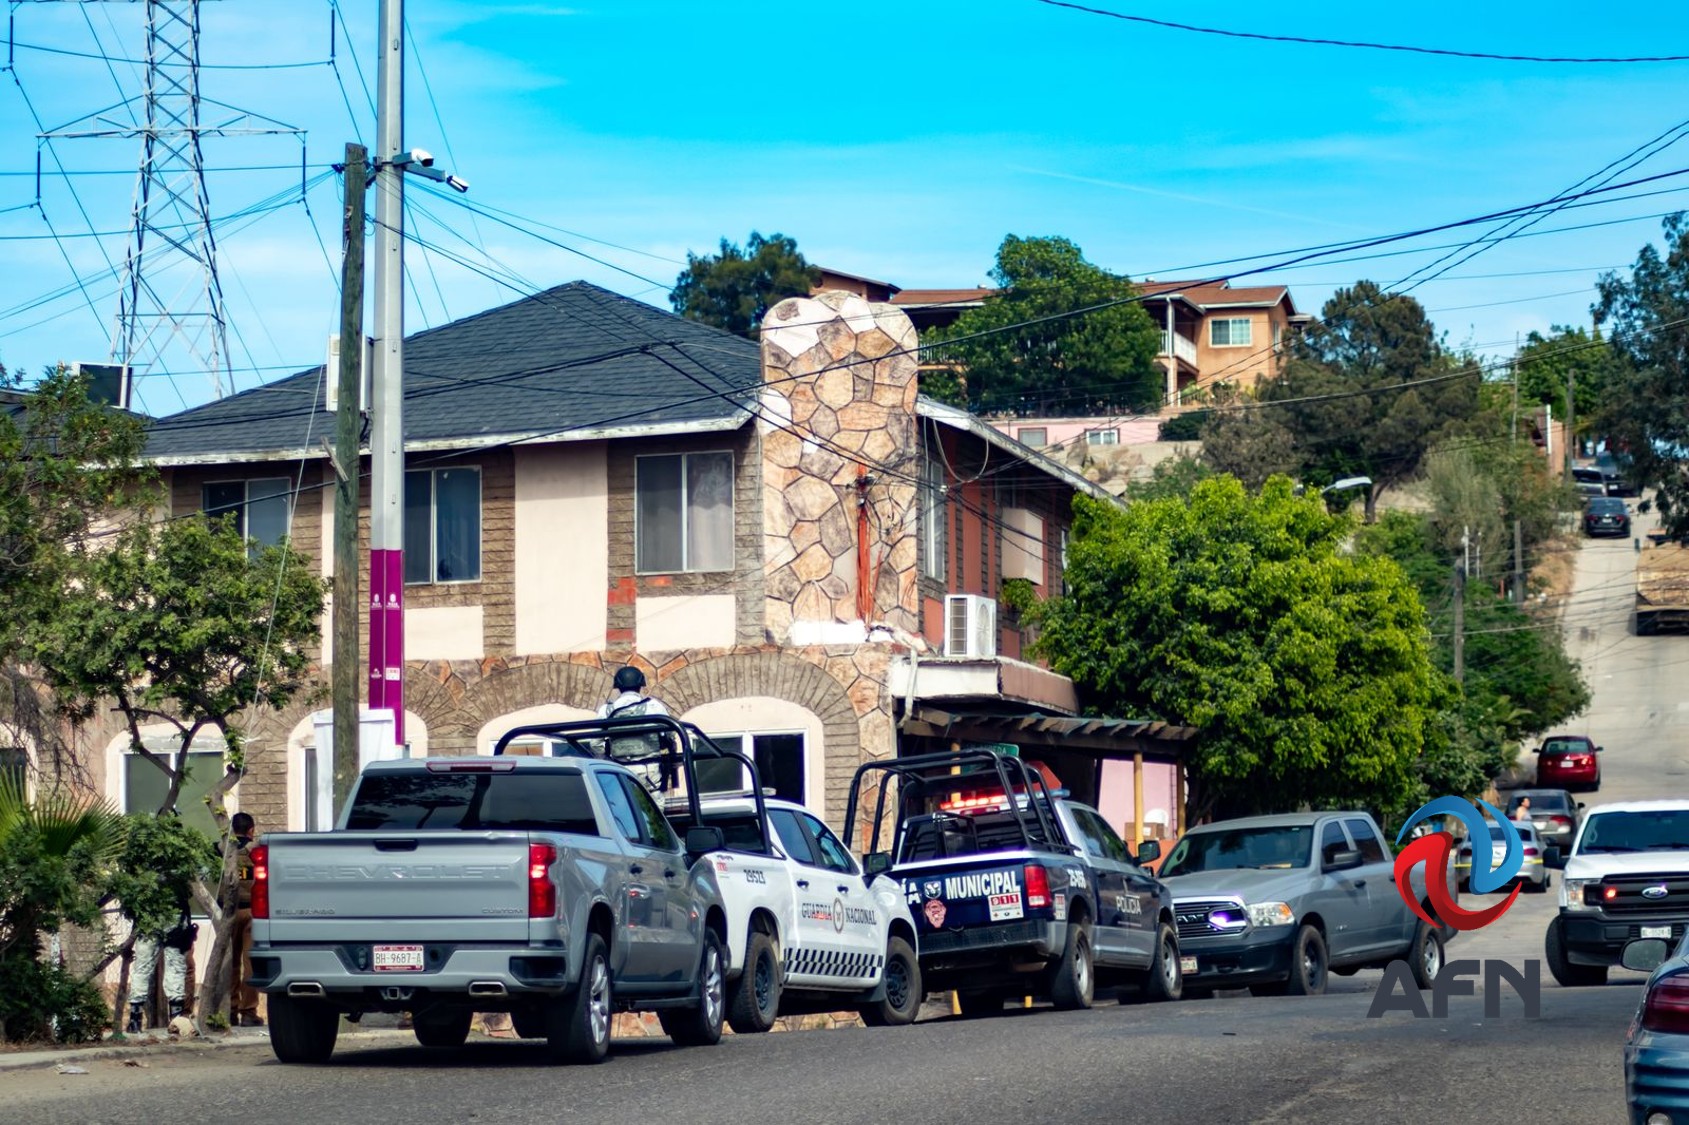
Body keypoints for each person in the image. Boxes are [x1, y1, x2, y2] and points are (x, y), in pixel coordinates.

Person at [127, 885, 195, 1034]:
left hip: (150, 917)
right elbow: (188, 891)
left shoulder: (144, 868)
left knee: (142, 969)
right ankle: (175, 1020)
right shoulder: (179, 869)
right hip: (175, 916)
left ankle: (135, 1021)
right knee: (175, 969)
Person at [594, 666, 673, 788]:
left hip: (619, 770)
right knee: (653, 805)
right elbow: (669, 735)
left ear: (618, 686)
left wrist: (607, 762)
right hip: (649, 770)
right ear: (641, 684)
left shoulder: (606, 711)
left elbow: (595, 744)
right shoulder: (654, 707)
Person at [229, 812, 263, 1027]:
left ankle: (229, 1010)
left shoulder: (222, 850)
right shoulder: (256, 851)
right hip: (251, 912)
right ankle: (248, 1012)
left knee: (230, 964)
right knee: (250, 963)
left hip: (227, 914)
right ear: (251, 830)